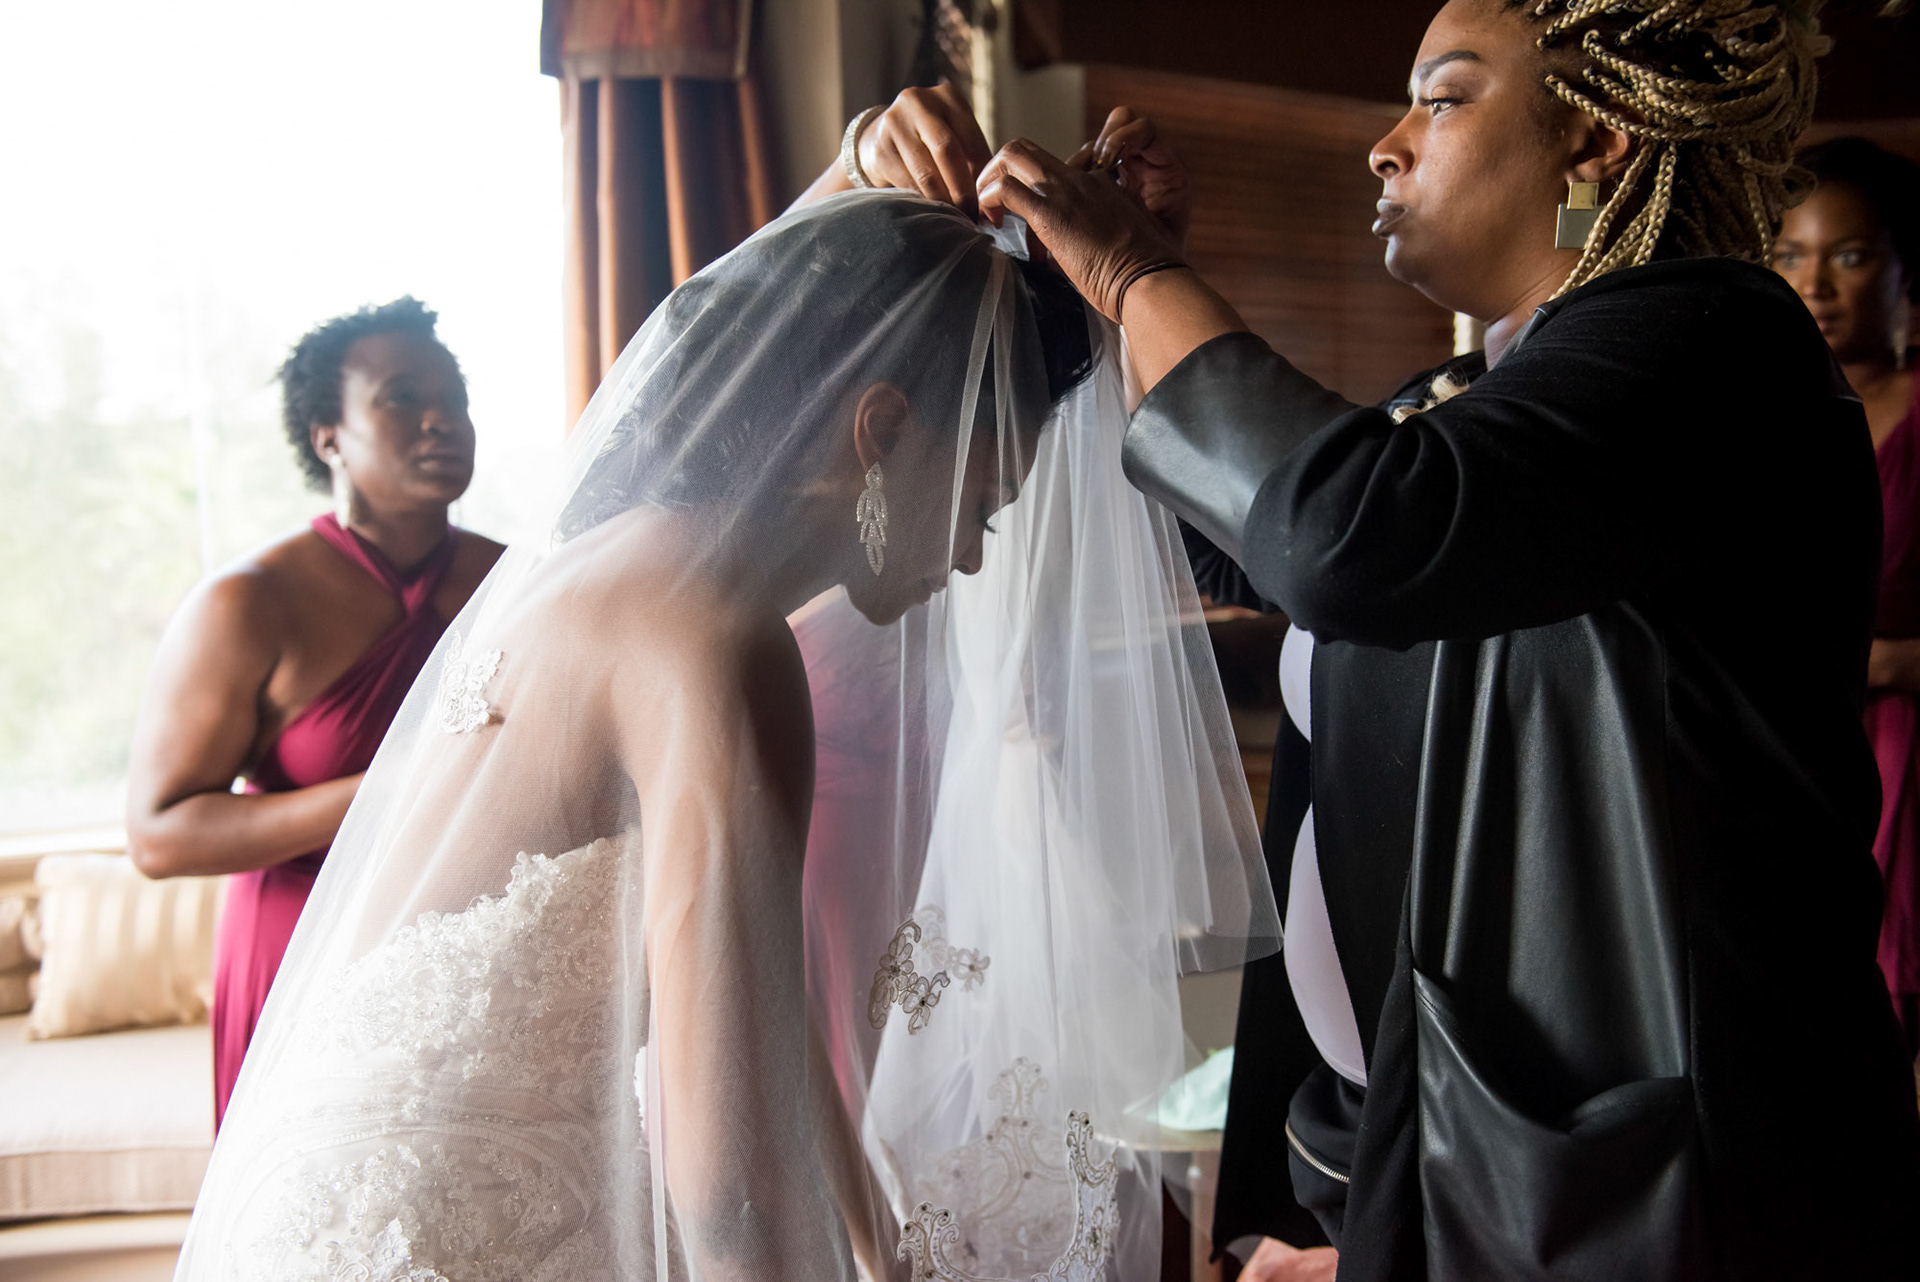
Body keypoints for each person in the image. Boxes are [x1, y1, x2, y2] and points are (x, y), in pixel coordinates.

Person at [930, 0, 1919, 1275]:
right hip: (1440, 1158)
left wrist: (1141, 278)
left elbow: (1349, 531)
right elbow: (1258, 536)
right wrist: (1117, 302)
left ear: (1599, 141)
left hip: (1654, 1183)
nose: (1383, 146)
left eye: (1441, 99)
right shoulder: (1476, 406)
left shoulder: (1714, 344)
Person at [172, 194, 1277, 1281]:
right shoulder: (713, 636)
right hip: (446, 1230)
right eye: (982, 508)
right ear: (881, 432)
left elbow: (760, 1014)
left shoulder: (620, 558)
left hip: (334, 1189)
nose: (978, 558)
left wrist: (870, 1237)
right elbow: (730, 1197)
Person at [125, 298, 504, 1128]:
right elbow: (158, 835)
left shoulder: (515, 585)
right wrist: (390, 788)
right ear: (327, 435)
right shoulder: (247, 604)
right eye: (402, 397)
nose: (444, 419)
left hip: (472, 953)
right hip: (304, 956)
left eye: (457, 396)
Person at [1774, 136, 1920, 1057]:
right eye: (1789, 255)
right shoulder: (1749, 420)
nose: (1815, 283)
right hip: (1779, 757)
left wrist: (1899, 659)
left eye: (1850, 255)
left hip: (1902, 753)